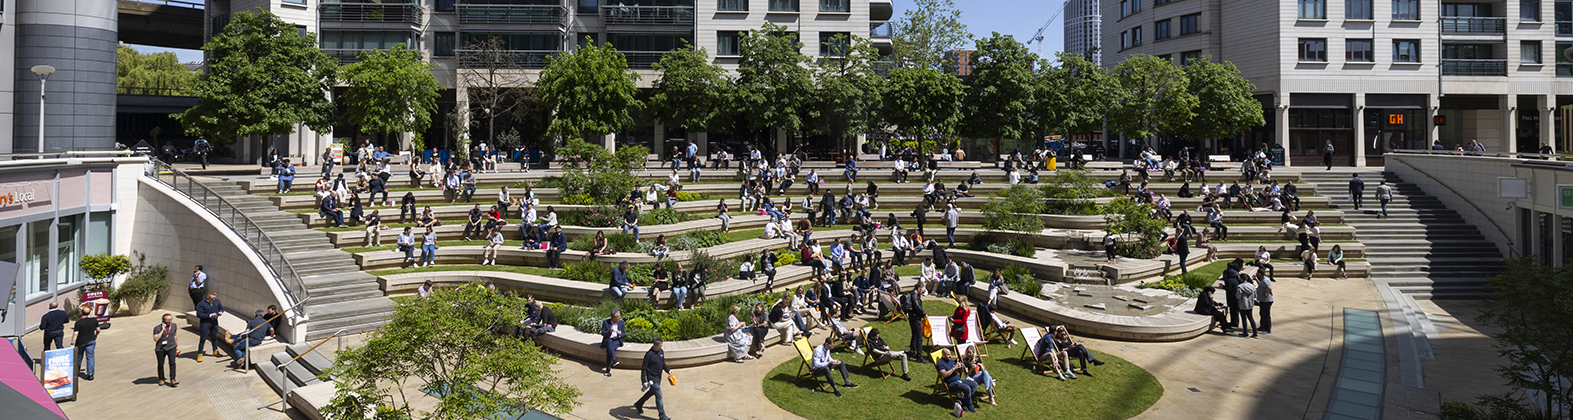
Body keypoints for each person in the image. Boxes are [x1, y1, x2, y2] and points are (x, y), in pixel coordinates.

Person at [634, 339, 674, 420]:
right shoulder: (649, 355)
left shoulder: (661, 352)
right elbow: (644, 368)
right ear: (654, 345)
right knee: (659, 396)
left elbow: (662, 363)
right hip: (652, 379)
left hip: (658, 377)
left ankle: (639, 404)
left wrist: (668, 370)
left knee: (652, 392)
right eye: (659, 346)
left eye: (661, 346)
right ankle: (662, 415)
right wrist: (644, 381)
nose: (660, 348)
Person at [936, 348, 978, 416]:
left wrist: (961, 368)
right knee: (967, 388)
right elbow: (944, 375)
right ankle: (969, 404)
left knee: (974, 384)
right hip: (951, 384)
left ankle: (963, 401)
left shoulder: (951, 361)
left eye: (950, 354)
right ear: (943, 355)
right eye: (948, 354)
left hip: (959, 381)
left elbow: (960, 371)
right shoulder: (940, 363)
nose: (950, 356)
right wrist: (953, 368)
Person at [71, 305, 99, 380]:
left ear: (81, 313)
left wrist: (72, 343)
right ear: (89, 313)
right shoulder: (94, 320)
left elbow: (75, 334)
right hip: (91, 341)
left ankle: (76, 371)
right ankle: (90, 374)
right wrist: (95, 336)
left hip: (80, 342)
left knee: (79, 357)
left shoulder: (78, 323)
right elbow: (98, 329)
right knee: (90, 357)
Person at [152, 313, 180, 387]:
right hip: (160, 349)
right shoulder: (157, 328)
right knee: (161, 364)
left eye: (170, 319)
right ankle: (161, 379)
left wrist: (176, 345)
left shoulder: (174, 326)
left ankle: (172, 379)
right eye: (167, 320)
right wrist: (162, 330)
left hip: (171, 347)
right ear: (163, 320)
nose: (169, 321)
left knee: (172, 363)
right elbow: (156, 338)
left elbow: (175, 335)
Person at [195, 291, 224, 362]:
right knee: (203, 338)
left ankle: (215, 350)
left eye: (214, 298)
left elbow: (221, 308)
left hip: (214, 322)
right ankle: (200, 354)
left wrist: (220, 312)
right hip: (205, 323)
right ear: (208, 296)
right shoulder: (201, 304)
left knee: (215, 337)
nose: (213, 300)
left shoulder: (217, 301)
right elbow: (199, 314)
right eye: (212, 298)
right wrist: (210, 315)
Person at [601, 309, 625, 376]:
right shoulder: (606, 322)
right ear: (613, 317)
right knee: (609, 342)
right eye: (618, 316)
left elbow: (624, 333)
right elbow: (603, 333)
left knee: (609, 349)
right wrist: (609, 331)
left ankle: (608, 369)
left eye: (619, 316)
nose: (619, 317)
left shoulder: (621, 323)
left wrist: (620, 334)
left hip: (616, 340)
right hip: (608, 339)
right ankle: (613, 359)